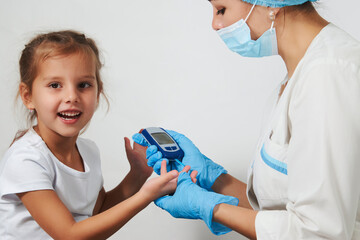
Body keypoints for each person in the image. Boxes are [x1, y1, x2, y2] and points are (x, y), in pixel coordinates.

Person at [133, 0, 360, 239]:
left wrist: (210, 207)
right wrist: (212, 178)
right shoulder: (298, 76)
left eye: (221, 9)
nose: (215, 24)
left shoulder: (328, 74)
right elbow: (278, 211)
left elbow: (319, 232)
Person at [0, 30, 196, 239]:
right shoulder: (26, 160)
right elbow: (70, 235)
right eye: (55, 85)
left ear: (98, 92)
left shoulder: (88, 151)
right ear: (28, 96)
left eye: (84, 85)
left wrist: (137, 175)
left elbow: (97, 214)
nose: (71, 96)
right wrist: (146, 196)